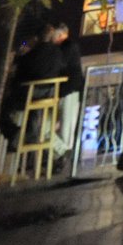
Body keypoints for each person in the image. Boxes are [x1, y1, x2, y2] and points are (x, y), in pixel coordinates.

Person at [50, 24, 85, 162]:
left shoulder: (66, 47)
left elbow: (60, 65)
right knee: (66, 126)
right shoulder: (69, 47)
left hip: (68, 89)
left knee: (65, 126)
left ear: (59, 35)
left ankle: (61, 156)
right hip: (69, 89)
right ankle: (61, 155)